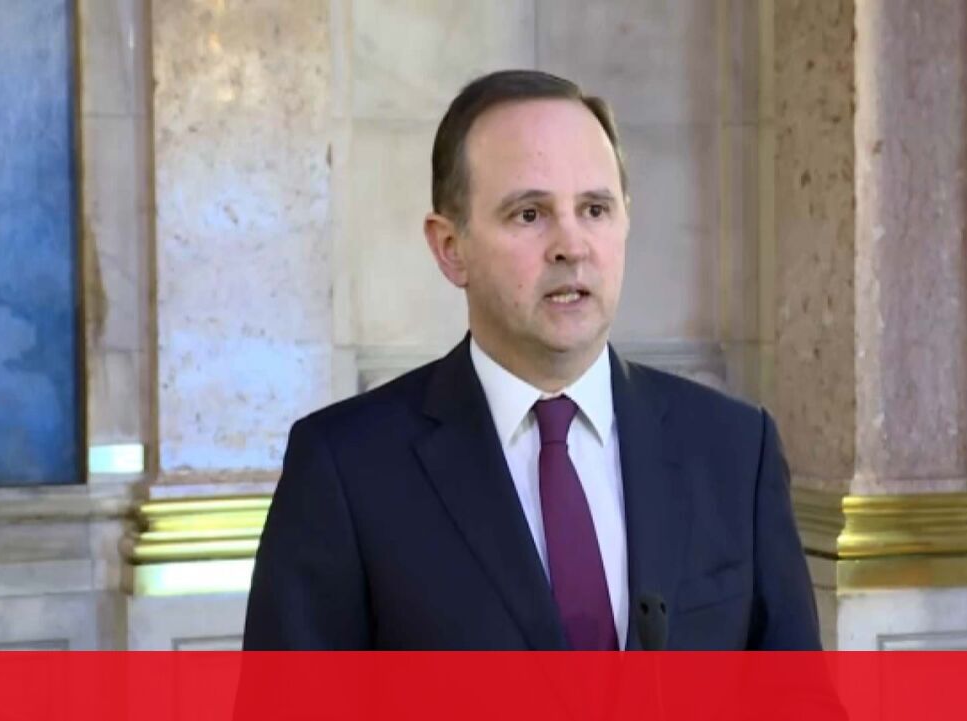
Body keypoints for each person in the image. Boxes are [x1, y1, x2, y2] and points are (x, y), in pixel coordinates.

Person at [242, 69, 820, 650]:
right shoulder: (345, 469)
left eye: (595, 209)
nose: (571, 246)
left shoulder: (736, 450)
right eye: (529, 214)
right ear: (450, 248)